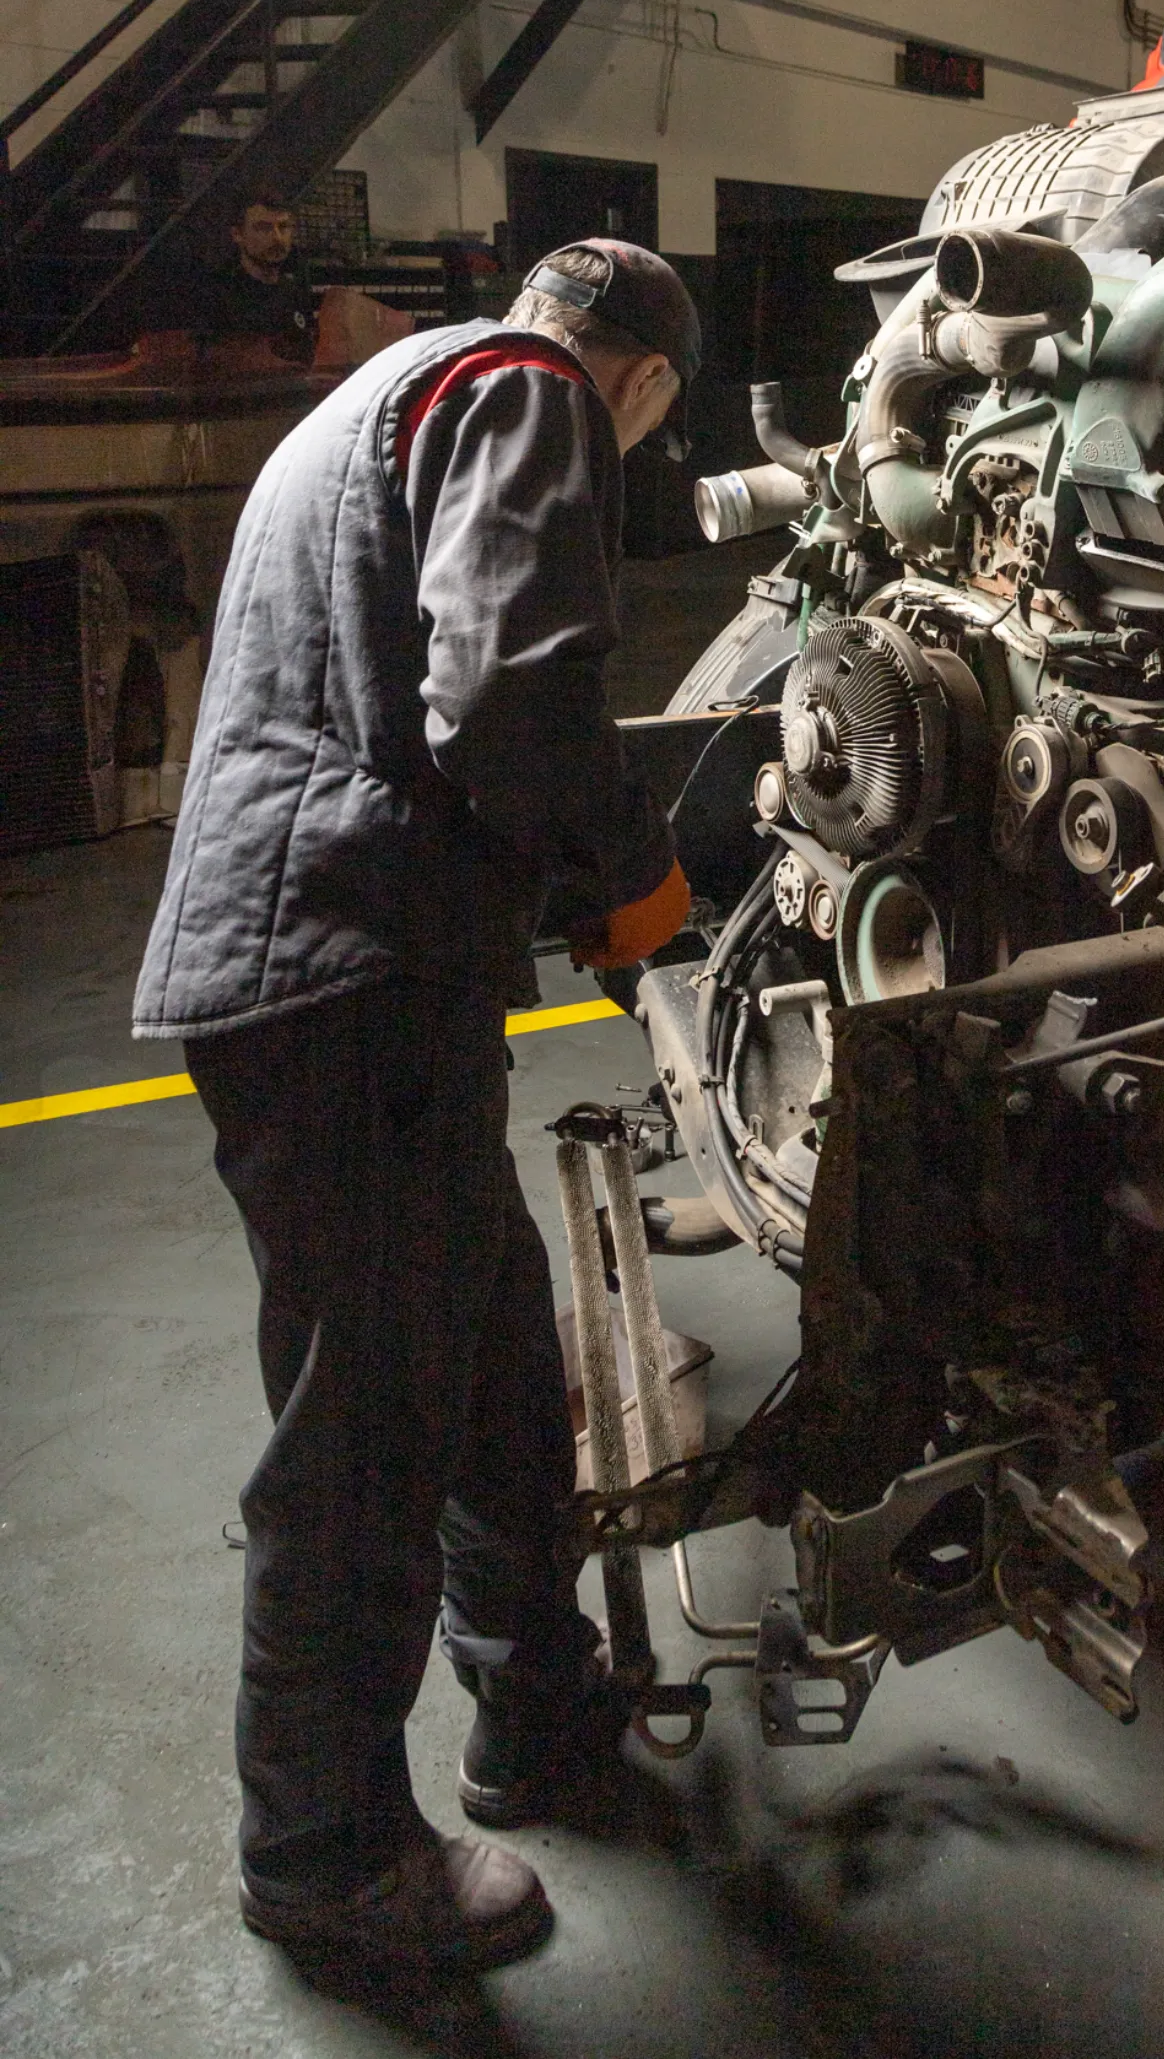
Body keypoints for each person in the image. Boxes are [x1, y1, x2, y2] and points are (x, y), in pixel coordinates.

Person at [133, 238, 702, 1973]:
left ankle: (533, 1703)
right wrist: (634, 876)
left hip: (332, 967)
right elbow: (512, 699)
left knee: (495, 1363)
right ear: (642, 381)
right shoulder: (527, 393)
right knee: (366, 1424)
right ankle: (320, 1854)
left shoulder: (370, 402)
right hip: (346, 968)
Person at [205, 192, 319, 358]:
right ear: (237, 234)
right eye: (263, 228)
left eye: (283, 227)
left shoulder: (294, 291)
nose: (277, 238)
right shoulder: (219, 297)